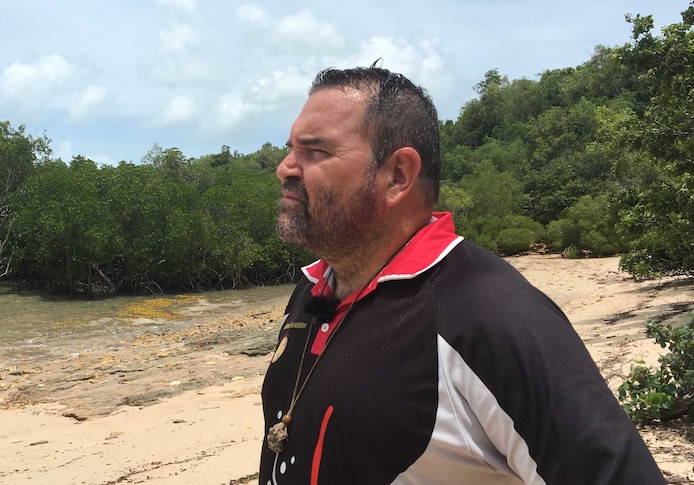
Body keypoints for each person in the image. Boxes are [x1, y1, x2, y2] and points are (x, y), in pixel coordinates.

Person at [259, 65, 664, 485]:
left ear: (397, 175)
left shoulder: (487, 312)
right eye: (290, 149)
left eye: (315, 151)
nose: (285, 168)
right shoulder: (312, 289)